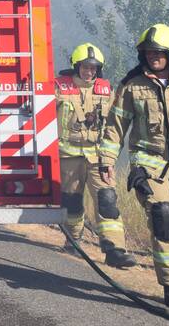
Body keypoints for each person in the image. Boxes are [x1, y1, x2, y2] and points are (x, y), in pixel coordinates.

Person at [99, 24, 169, 307]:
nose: (153, 56)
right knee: (164, 218)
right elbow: (115, 125)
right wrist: (107, 161)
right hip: (151, 166)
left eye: (158, 52)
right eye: (148, 52)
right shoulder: (132, 85)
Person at [55, 43, 136, 268]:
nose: (89, 71)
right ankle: (73, 241)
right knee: (71, 203)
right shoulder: (59, 88)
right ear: (76, 66)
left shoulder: (105, 91)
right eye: (85, 67)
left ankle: (114, 249)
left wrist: (110, 155)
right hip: (68, 156)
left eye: (93, 68)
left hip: (97, 157)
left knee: (107, 200)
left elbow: (113, 124)